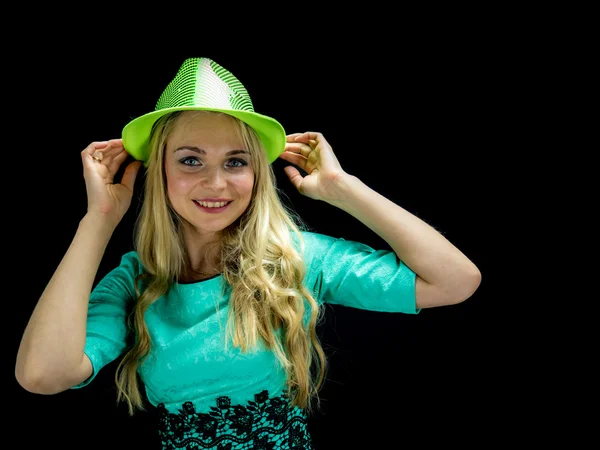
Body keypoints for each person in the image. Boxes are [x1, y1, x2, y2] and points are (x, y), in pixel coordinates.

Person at [15, 57, 481, 449]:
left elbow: (455, 281)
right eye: (190, 160)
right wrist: (98, 221)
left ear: (256, 173)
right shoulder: (136, 281)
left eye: (235, 162)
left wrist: (343, 189)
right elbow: (42, 375)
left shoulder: (297, 259)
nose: (215, 183)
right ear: (158, 171)